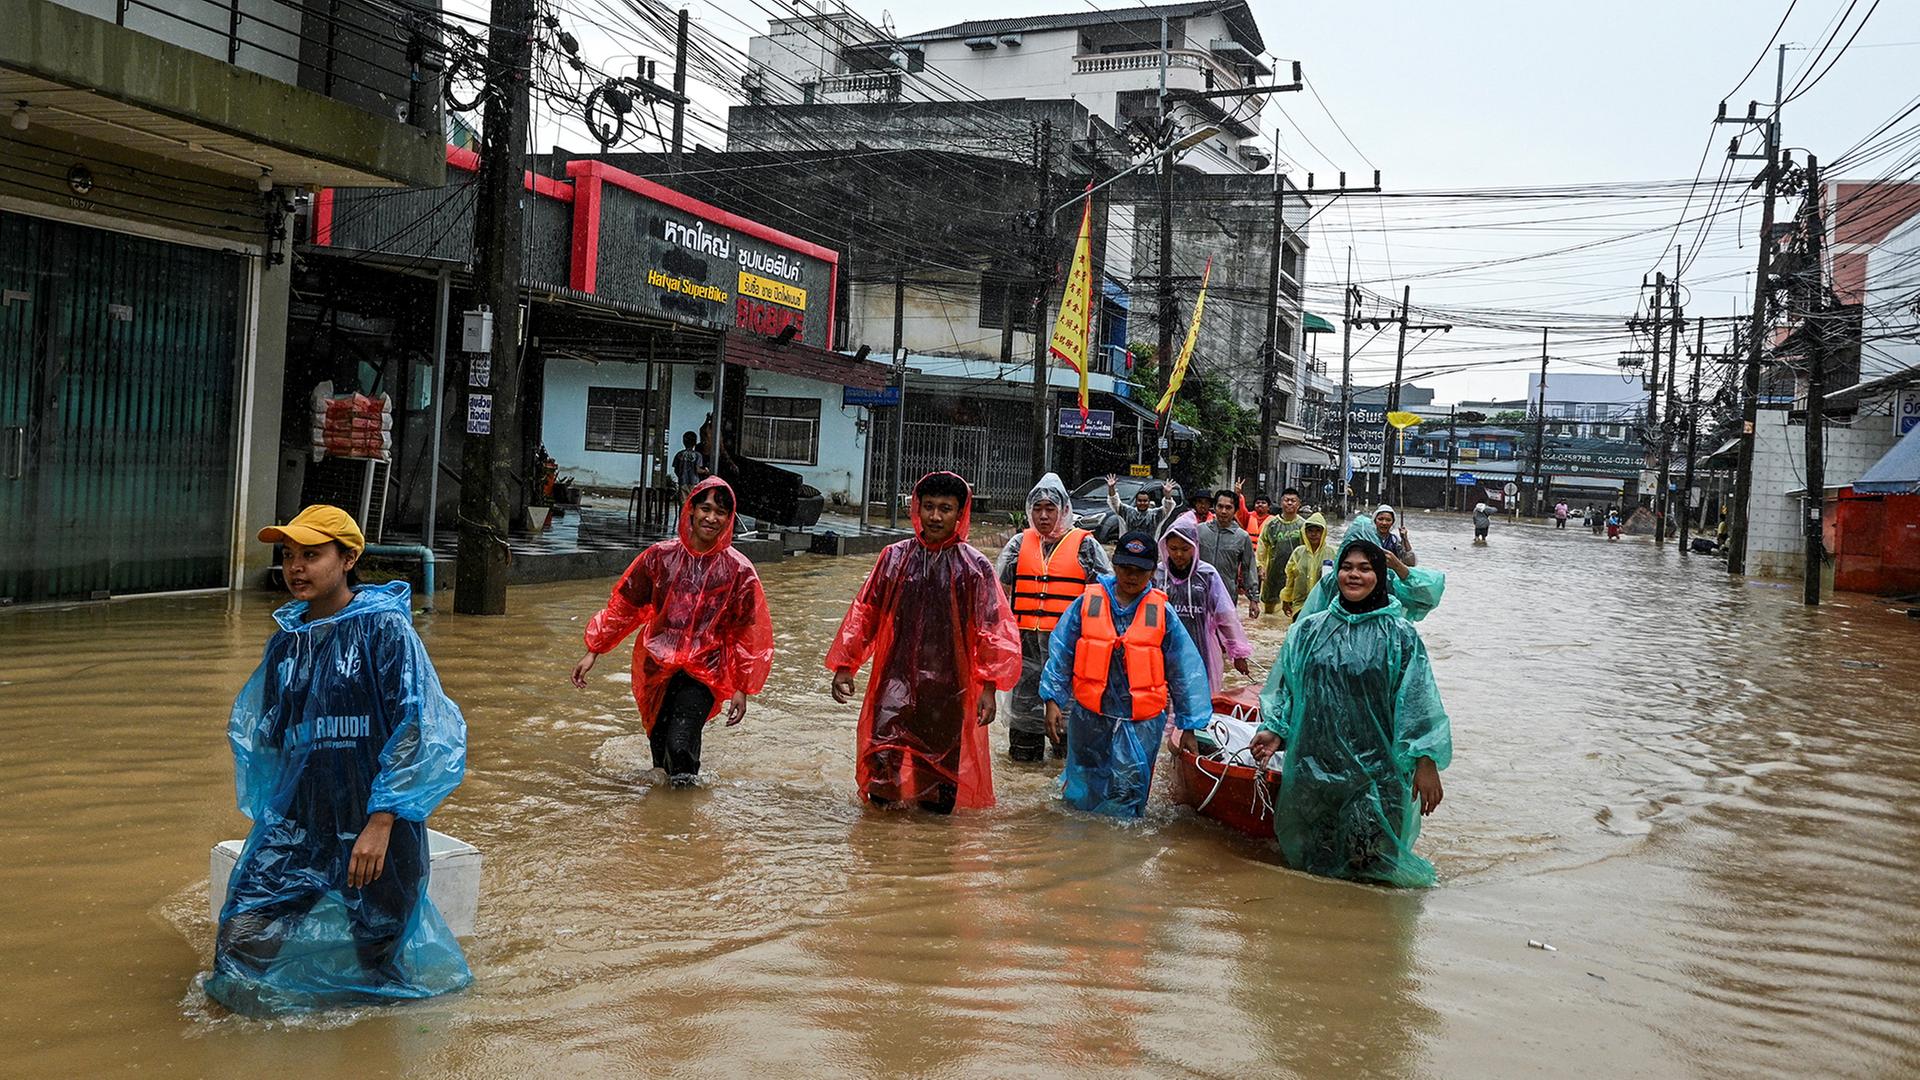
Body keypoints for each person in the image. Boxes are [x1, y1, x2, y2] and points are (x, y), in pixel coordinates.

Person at [209, 505, 469, 1016]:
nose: (296, 567)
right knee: (239, 945)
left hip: (375, 828)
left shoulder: (385, 631)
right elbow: (271, 739)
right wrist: (271, 818)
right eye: (288, 556)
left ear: (349, 558)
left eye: (312, 554)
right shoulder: (287, 642)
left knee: (377, 965)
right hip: (298, 823)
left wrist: (381, 819)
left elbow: (419, 728)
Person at [1250, 534, 1452, 887]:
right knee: (1314, 866)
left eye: (1365, 568)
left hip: (1376, 773)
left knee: (1372, 870)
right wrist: (1274, 729)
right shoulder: (1308, 631)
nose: (1353, 575)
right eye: (1346, 567)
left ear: (1380, 576)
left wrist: (1425, 761)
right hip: (1314, 767)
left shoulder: (1400, 636)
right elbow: (1287, 687)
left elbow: (1417, 702)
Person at [828, 472, 1021, 813]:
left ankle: (931, 860)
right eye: (928, 507)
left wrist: (990, 686)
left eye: (945, 509)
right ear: (916, 509)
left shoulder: (974, 568)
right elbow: (865, 614)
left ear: (960, 514)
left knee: (937, 788)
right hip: (893, 683)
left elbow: (993, 630)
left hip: (948, 692)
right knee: (882, 784)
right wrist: (846, 665)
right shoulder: (894, 558)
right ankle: (879, 858)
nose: (935, 517)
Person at [573, 477, 773, 787]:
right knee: (660, 747)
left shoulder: (739, 571)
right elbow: (624, 607)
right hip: (657, 665)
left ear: (729, 518)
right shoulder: (659, 558)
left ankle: (685, 820)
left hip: (705, 672)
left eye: (720, 512)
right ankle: (662, 821)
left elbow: (747, 633)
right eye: (705, 508)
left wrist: (742, 686)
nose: (711, 518)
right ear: (690, 511)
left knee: (680, 744)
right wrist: (594, 649)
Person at [1037, 530, 1212, 818]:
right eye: (1125, 569)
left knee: (1130, 790)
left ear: (1152, 572)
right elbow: (1062, 651)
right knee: (1083, 786)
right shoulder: (1088, 602)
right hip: (1090, 716)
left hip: (1141, 721)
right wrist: (1052, 700)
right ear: (1115, 567)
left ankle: (1123, 851)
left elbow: (1184, 670)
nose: (1131, 577)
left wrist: (1189, 726)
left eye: (1140, 571)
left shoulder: (1162, 612)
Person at [997, 472, 1113, 762]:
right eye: (1038, 509)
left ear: (1063, 510)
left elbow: (1108, 600)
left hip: (1069, 653)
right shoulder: (1017, 545)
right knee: (1023, 750)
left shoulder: (1087, 546)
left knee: (1067, 748)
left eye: (1050, 508)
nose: (1044, 516)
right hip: (1026, 651)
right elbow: (997, 598)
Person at [1156, 512, 1252, 695]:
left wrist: (1237, 654)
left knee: (1199, 699)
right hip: (1162, 649)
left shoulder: (1207, 575)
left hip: (1201, 648)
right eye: (1173, 548)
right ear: (1165, 546)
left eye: (1185, 549)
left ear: (1195, 547)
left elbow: (1226, 617)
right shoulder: (1158, 575)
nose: (1178, 554)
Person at [1198, 490, 1258, 611]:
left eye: (1228, 507)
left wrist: (1253, 599)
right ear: (1214, 507)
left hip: (1227, 595)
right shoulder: (1200, 531)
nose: (1223, 511)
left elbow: (1249, 568)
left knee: (1224, 629)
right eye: (1220, 506)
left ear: (1235, 510)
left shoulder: (1242, 537)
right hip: (1198, 593)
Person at [1256, 488, 1307, 617]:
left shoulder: (1304, 525)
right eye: (1286, 500)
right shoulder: (1271, 524)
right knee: (1268, 612)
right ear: (1281, 502)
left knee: (1294, 610)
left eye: (1293, 501)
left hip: (1295, 575)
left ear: (1298, 504)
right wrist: (1260, 566)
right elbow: (1262, 546)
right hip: (1273, 573)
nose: (1289, 503)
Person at [1279, 512, 1332, 617]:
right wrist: (1286, 600)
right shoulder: (1298, 553)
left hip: (1324, 607)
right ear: (1305, 532)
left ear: (1324, 532)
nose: (1314, 534)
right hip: (1300, 605)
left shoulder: (1332, 553)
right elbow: (1290, 578)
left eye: (1318, 531)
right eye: (1310, 531)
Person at [1104, 474, 1180, 535]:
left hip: (1149, 550)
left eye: (1145, 501)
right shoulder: (1127, 512)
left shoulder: (1155, 515)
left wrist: (1167, 494)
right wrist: (1111, 488)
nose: (1142, 503)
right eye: (1140, 501)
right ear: (1136, 502)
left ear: (1149, 502)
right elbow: (1114, 502)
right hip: (1128, 549)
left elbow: (1168, 507)